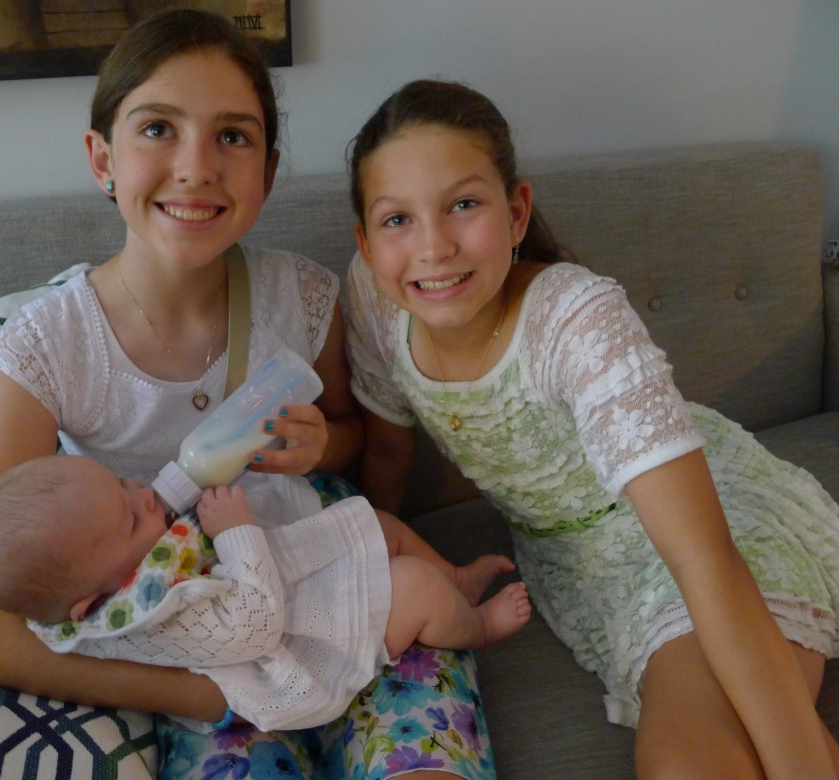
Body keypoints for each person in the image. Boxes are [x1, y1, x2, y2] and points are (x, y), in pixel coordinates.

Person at [0, 11, 500, 778]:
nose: (196, 167)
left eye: (232, 136)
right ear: (102, 158)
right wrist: (210, 695)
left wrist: (320, 444)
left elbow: (352, 435)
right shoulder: (48, 347)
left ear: (267, 174)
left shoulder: (299, 297)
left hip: (342, 584)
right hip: (204, 647)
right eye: (157, 129)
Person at [344, 78, 839, 778]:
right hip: (576, 565)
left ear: (516, 212)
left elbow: (700, 556)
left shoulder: (575, 319)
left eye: (463, 204)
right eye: (397, 219)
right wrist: (365, 567)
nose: (433, 247)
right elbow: (390, 449)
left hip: (703, 524)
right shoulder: (374, 295)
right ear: (366, 244)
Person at [0, 454, 531, 733]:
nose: (145, 499)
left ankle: (457, 578)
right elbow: (254, 626)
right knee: (416, 588)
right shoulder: (147, 617)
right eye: (131, 517)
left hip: (280, 581)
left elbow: (157, 502)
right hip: (291, 644)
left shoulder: (106, 566)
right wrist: (233, 531)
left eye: (122, 485)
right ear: (91, 605)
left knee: (374, 524)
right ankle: (476, 625)